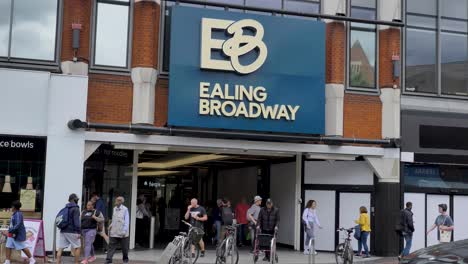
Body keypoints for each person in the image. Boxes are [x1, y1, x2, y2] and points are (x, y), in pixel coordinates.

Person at [57, 193, 81, 264]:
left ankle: (58, 262)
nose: (77, 200)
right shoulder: (76, 208)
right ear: (74, 199)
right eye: (77, 199)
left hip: (63, 230)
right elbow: (76, 222)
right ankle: (76, 263)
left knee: (60, 248)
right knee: (78, 247)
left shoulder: (65, 208)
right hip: (72, 231)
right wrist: (79, 232)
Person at [106, 196, 130, 264]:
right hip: (114, 231)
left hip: (123, 232)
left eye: (117, 200)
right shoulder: (114, 209)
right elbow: (114, 219)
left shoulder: (125, 209)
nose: (115, 201)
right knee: (111, 247)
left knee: (124, 248)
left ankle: (125, 259)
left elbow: (127, 221)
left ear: (120, 201)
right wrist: (111, 226)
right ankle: (108, 260)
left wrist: (124, 230)